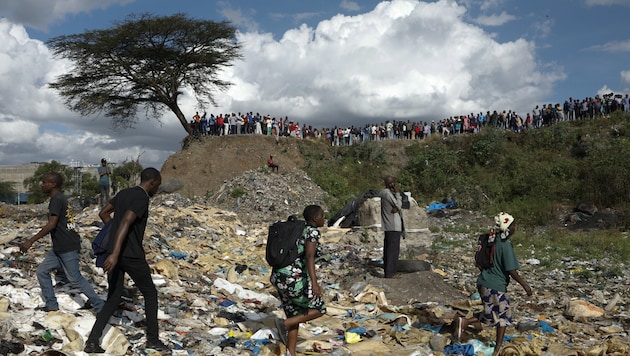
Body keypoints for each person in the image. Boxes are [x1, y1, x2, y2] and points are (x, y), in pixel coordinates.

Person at [84, 168, 169, 353]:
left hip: (114, 255)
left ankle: (92, 341)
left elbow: (104, 213)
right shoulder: (142, 197)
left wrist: (113, 238)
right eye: (158, 185)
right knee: (150, 294)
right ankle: (153, 340)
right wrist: (116, 252)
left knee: (113, 298)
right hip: (129, 255)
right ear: (153, 182)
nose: (157, 189)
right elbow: (126, 222)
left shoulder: (123, 193)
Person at [20, 172, 104, 313]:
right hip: (59, 246)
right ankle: (52, 305)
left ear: (53, 184)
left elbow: (52, 224)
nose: (42, 184)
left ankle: (100, 306)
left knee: (75, 278)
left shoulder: (57, 200)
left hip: (67, 245)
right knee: (42, 271)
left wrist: (31, 240)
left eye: (45, 182)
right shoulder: (59, 198)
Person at [454, 212, 533, 356]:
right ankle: (497, 351)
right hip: (495, 286)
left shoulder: (491, 240)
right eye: (513, 225)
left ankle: (464, 323)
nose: (515, 227)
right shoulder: (505, 244)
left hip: (483, 283)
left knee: (490, 312)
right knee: (503, 318)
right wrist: (525, 285)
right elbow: (511, 270)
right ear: (508, 227)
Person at [271, 205, 327, 356]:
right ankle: (284, 324)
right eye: (322, 215)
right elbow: (309, 256)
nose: (324, 218)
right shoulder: (312, 232)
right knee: (319, 308)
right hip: (293, 279)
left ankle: (291, 353)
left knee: (294, 314)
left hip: (279, 276)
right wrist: (314, 283)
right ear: (315, 218)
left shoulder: (297, 229)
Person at [380, 175, 403, 278]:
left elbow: (396, 207)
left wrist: (396, 207)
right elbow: (398, 205)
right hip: (392, 226)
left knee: (389, 249)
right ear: (392, 184)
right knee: (392, 250)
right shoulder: (387, 193)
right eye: (394, 183)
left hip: (390, 226)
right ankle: (390, 273)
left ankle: (390, 271)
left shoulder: (385, 193)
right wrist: (397, 192)